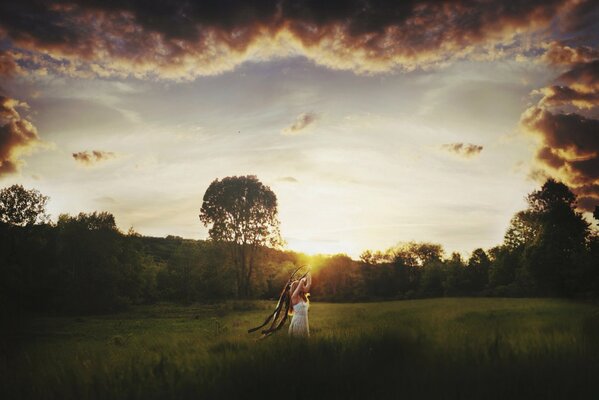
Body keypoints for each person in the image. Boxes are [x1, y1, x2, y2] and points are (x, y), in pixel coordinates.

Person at [288, 271, 311, 337]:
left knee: (304, 340)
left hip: (304, 321)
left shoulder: (302, 297)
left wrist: (309, 274)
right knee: (298, 339)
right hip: (298, 321)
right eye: (301, 286)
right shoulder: (294, 297)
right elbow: (301, 284)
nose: (303, 287)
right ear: (297, 288)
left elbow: (308, 284)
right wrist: (302, 280)